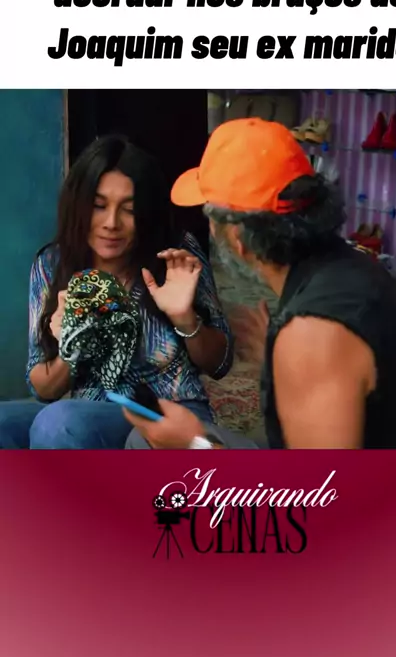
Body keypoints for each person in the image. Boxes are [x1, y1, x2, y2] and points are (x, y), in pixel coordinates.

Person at [123, 117, 396, 450]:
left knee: (150, 447)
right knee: (142, 439)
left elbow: (320, 484)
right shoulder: (354, 266)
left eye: (210, 218)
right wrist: (280, 368)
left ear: (237, 237)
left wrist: (194, 445)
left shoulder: (311, 333)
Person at [0, 135, 233, 449]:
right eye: (98, 206)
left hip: (166, 413)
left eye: (129, 209)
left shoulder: (174, 254)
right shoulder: (52, 265)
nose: (112, 223)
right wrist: (73, 343)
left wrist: (185, 318)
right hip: (86, 412)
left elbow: (220, 364)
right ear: (78, 207)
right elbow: (42, 388)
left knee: (58, 424)